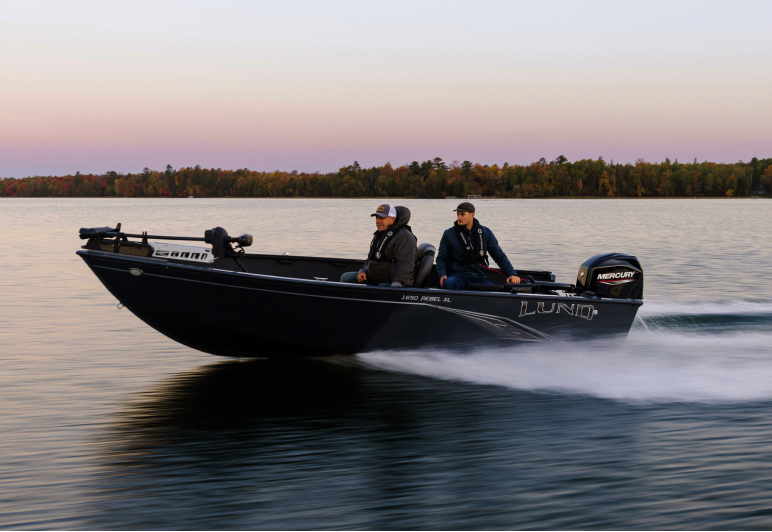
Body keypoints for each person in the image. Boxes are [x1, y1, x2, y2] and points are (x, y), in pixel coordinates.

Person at [436, 202, 521, 290]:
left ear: (472, 215)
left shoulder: (486, 233)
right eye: (457, 215)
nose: (459, 218)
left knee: (495, 292)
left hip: (479, 278)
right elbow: (441, 258)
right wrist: (442, 274)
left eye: (462, 215)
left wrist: (512, 274)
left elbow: (499, 256)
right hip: (458, 276)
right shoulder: (448, 234)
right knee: (449, 284)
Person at [340, 204, 417, 287]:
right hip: (375, 279)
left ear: (392, 220)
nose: (378, 221)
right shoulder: (379, 235)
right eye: (377, 217)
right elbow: (370, 258)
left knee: (382, 286)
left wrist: (397, 284)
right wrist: (362, 271)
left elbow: (406, 265)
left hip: (395, 283)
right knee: (346, 278)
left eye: (382, 218)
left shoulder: (404, 237)